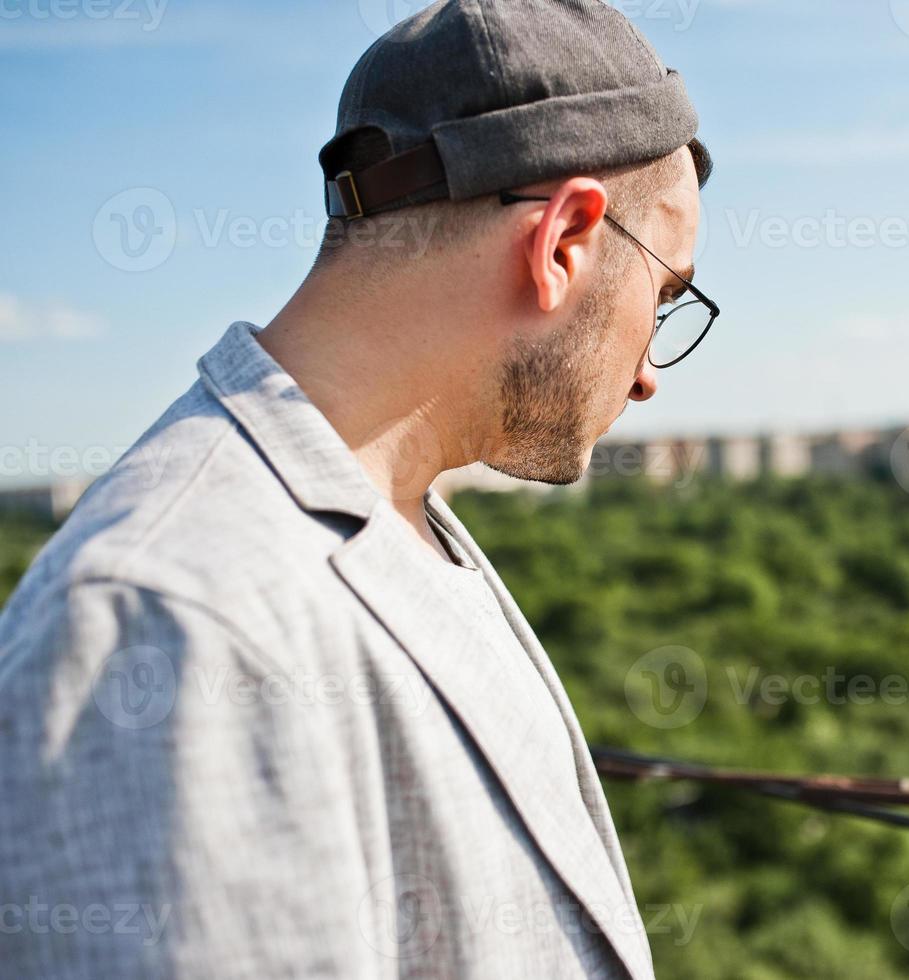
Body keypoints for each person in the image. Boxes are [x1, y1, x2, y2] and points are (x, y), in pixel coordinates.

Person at [0, 1, 715, 977]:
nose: (648, 374)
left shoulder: (399, 520)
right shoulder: (171, 616)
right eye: (666, 293)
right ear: (564, 241)